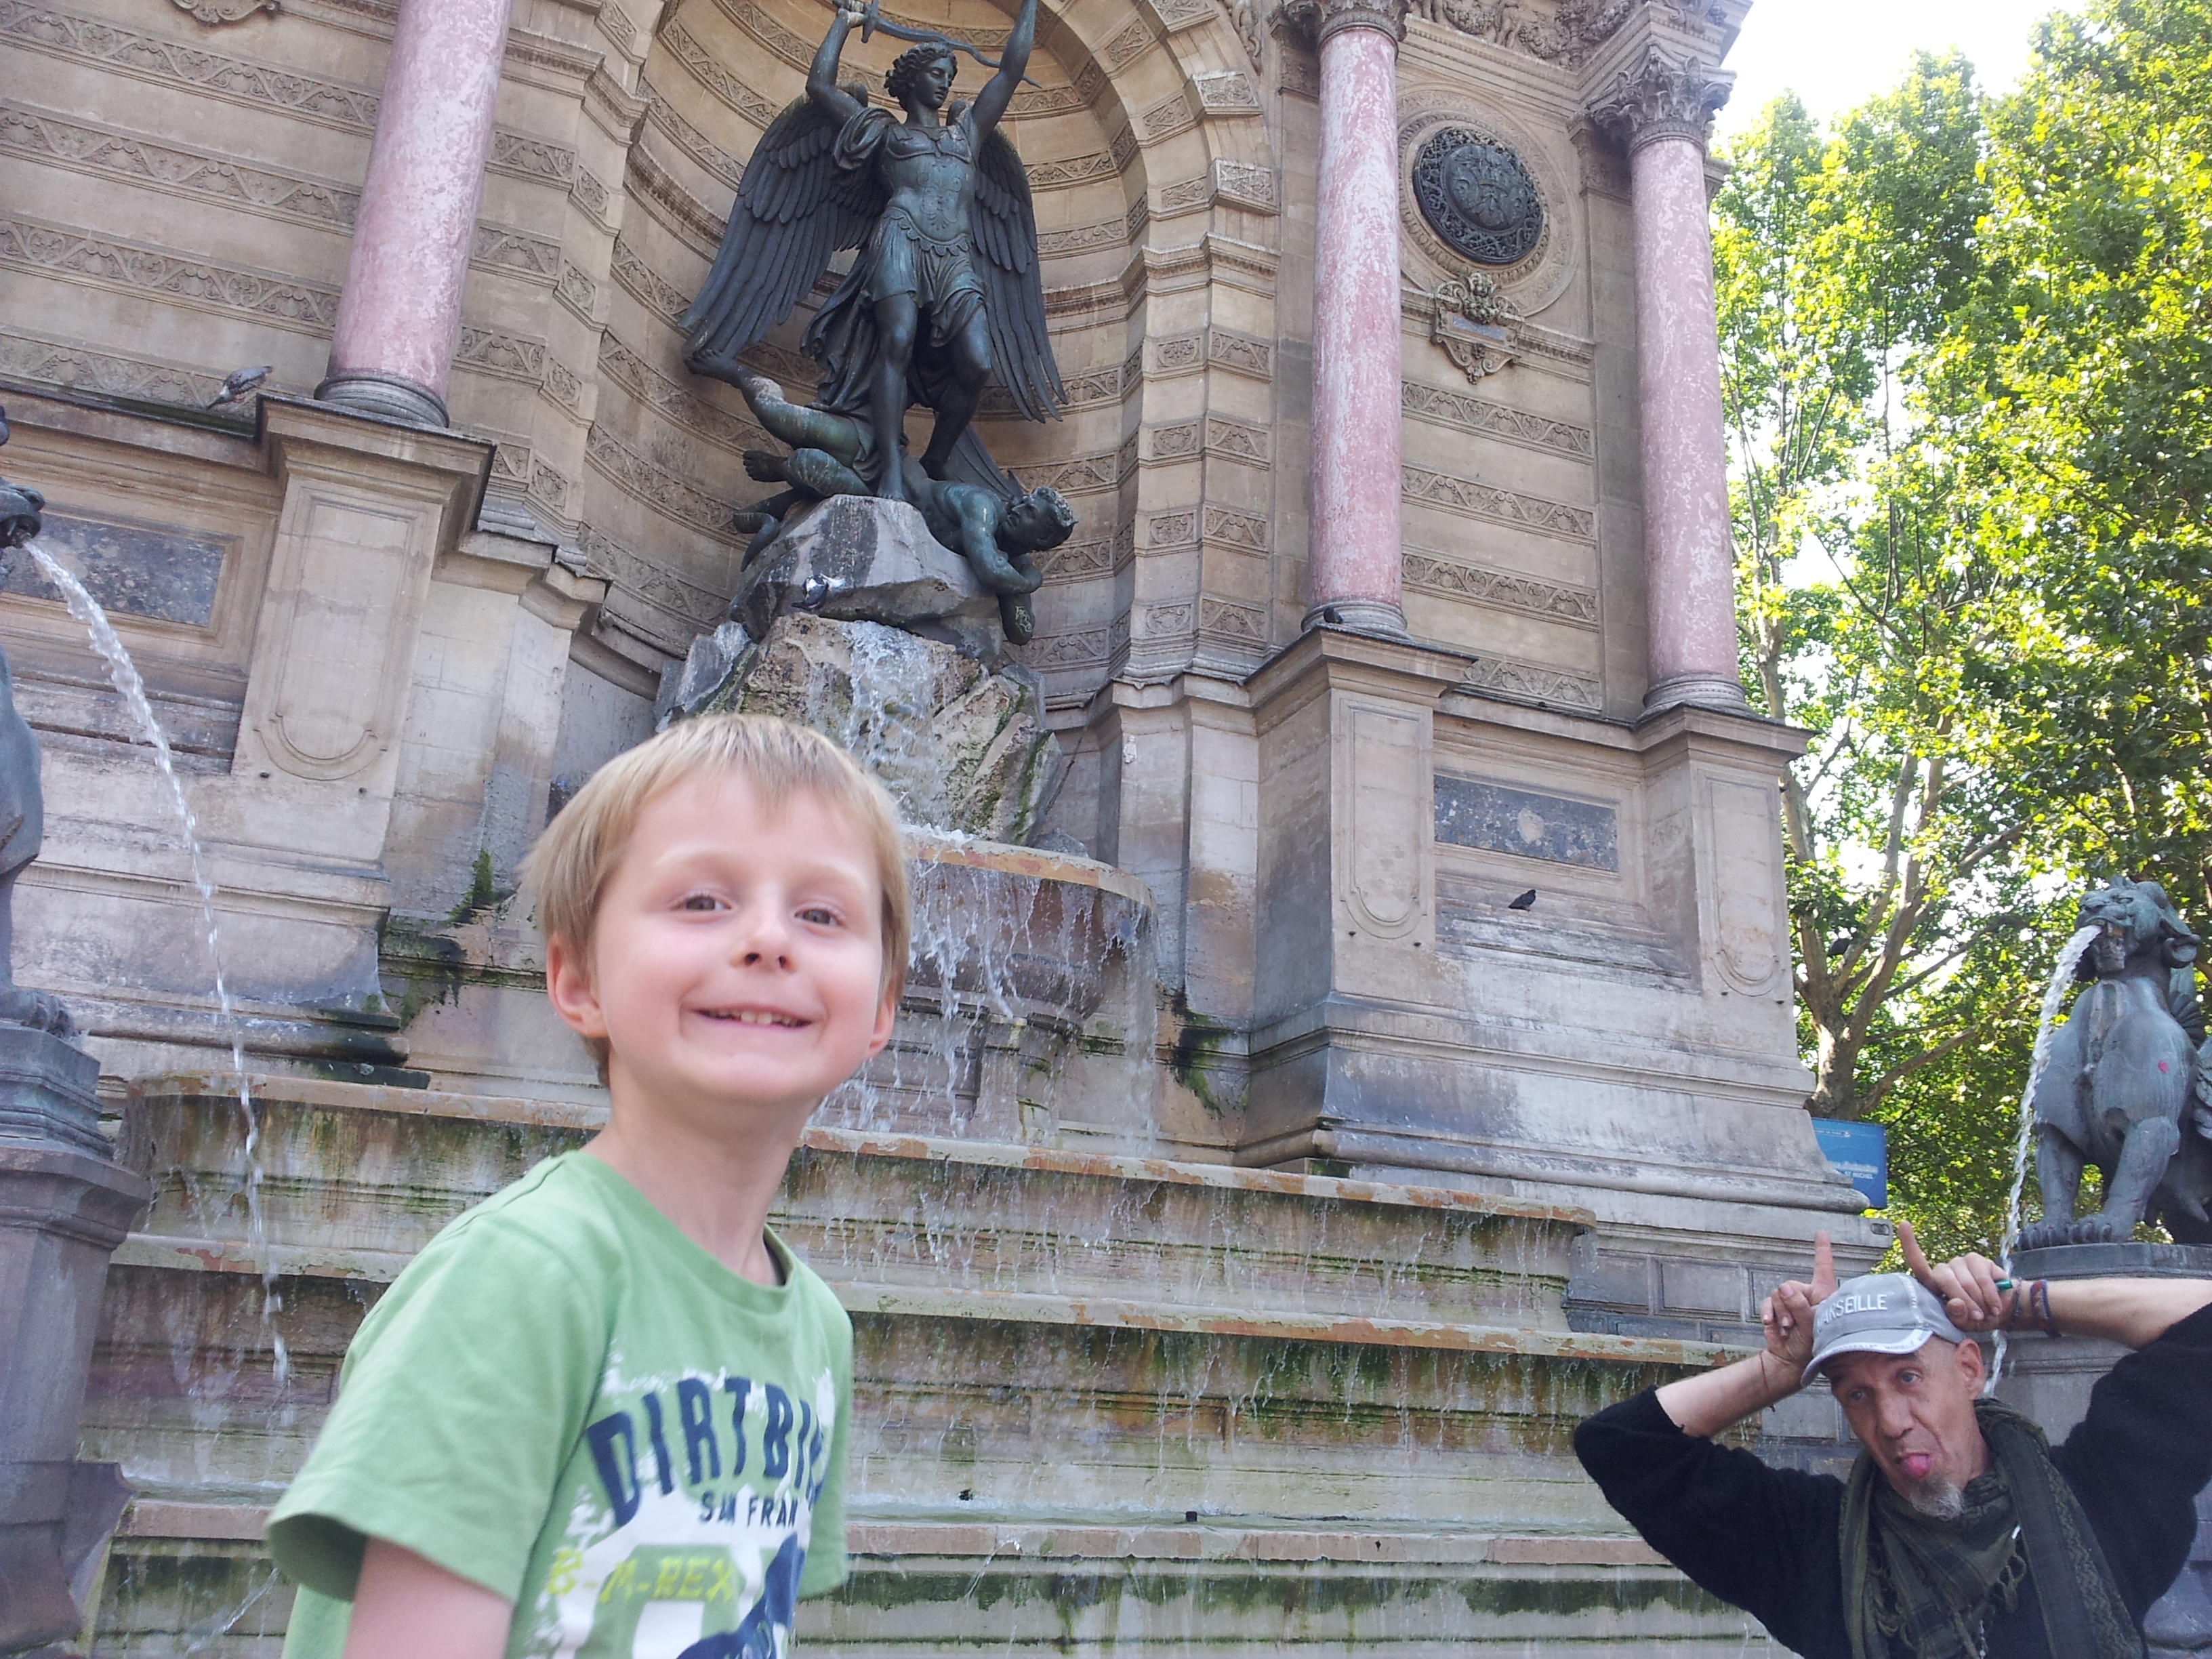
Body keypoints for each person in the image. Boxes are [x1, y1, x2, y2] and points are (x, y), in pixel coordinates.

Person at [264, 714, 911, 1658]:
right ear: (577, 980)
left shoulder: (817, 1327)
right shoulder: (521, 1278)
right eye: (702, 901)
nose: (770, 939)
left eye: (822, 915)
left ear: (883, 1005)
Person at [1574, 1220, 2212, 1658]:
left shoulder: (2099, 1499)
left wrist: (2017, 1302)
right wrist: (1782, 1369)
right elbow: (1622, 1446)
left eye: (1908, 1377)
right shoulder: (1815, 1548)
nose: (1891, 1420)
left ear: (1969, 1369)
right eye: (1857, 1393)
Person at [727, 363, 1074, 645]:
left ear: (1043, 538)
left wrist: (1018, 581)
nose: (1017, 507)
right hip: (881, 461)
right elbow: (988, 568)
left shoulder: (1012, 564)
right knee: (776, 415)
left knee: (808, 464)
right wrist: (1027, 583)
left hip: (873, 499)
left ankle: (778, 487)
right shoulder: (983, 507)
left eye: (1029, 512)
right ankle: (736, 372)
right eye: (1024, 502)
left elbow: (1022, 632)